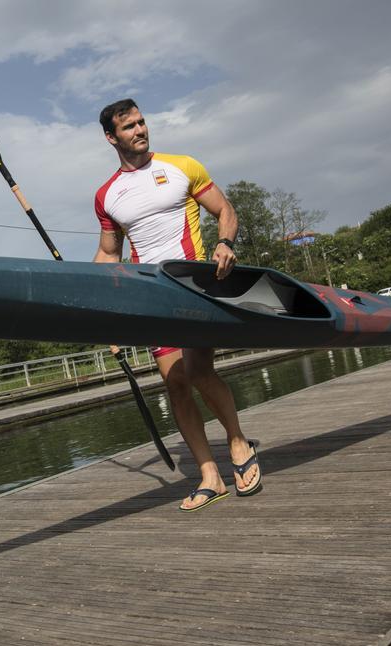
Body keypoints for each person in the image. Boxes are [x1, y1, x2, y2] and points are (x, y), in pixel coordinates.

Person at [92, 98, 261, 512]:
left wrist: (225, 243)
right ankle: (210, 476)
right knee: (175, 383)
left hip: (192, 288)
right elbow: (109, 255)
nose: (140, 130)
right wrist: (96, 305)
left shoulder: (182, 166)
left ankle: (238, 443)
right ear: (111, 137)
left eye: (142, 122)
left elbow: (226, 211)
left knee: (200, 370)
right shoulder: (107, 195)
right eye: (129, 126)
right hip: (153, 298)